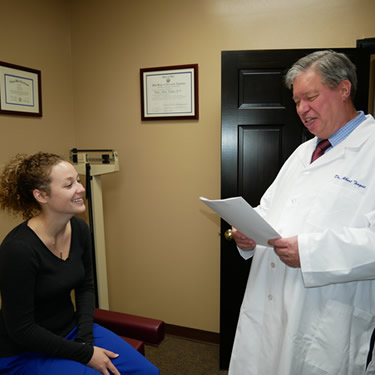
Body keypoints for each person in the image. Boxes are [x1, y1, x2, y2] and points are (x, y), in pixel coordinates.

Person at [228, 50, 375, 375]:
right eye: (296, 101)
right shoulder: (304, 150)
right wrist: (246, 233)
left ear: (343, 89)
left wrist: (310, 253)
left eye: (310, 97)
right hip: (268, 303)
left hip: (325, 315)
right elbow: (269, 209)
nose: (301, 110)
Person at [0, 152, 159, 375]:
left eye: (78, 180)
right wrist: (85, 354)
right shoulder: (18, 249)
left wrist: (85, 341)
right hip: (24, 351)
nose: (80, 189)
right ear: (41, 195)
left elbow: (86, 287)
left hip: (71, 331)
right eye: (69, 185)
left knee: (148, 373)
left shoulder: (80, 229)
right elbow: (22, 330)